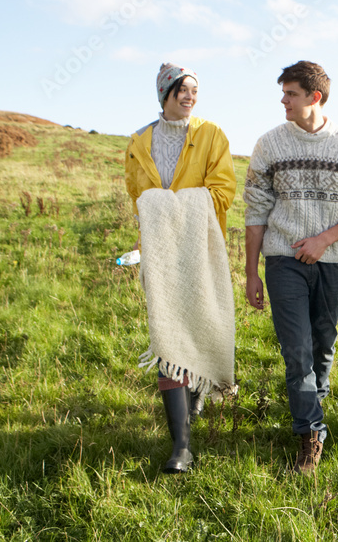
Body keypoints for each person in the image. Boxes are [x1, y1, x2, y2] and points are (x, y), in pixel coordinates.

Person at [243, 60, 338, 474]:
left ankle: (313, 423)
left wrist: (323, 241)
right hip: (283, 260)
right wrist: (251, 272)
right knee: (297, 349)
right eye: (283, 94)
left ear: (314, 97)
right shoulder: (269, 145)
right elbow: (255, 210)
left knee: (323, 346)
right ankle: (309, 435)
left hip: (331, 262)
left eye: (291, 94)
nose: (283, 101)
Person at [124, 62, 237, 473]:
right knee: (167, 332)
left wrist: (176, 208)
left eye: (194, 90)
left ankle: (198, 391)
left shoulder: (211, 135)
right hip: (160, 253)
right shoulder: (138, 142)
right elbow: (138, 195)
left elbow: (223, 190)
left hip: (201, 246)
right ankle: (181, 446)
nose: (190, 96)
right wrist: (155, 218)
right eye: (182, 90)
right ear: (164, 94)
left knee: (201, 323)